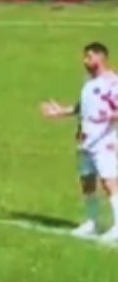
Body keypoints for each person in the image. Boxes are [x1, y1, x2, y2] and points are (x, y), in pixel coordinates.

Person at [42, 41, 118, 240]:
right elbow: (82, 106)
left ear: (101, 57)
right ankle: (93, 222)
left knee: (109, 182)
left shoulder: (112, 83)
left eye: (89, 56)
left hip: (104, 141)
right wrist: (61, 112)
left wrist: (109, 116)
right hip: (86, 140)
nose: (85, 61)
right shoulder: (89, 82)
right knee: (87, 183)